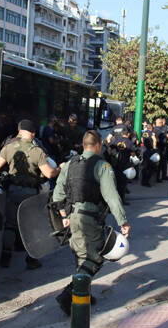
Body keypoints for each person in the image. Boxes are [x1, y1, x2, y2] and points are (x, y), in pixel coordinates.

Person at [51, 130, 130, 315]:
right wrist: (123, 221)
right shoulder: (102, 166)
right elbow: (112, 197)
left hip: (72, 217)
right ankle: (69, 294)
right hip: (91, 218)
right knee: (95, 258)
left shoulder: (70, 163)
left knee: (81, 254)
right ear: (98, 145)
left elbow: (57, 195)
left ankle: (83, 292)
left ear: (83, 144)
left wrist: (64, 216)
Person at [0, 119, 60, 270]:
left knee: (10, 224)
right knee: (32, 226)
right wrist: (59, 169)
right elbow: (48, 174)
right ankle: (31, 260)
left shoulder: (8, 147)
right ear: (33, 133)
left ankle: (5, 257)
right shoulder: (37, 151)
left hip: (13, 190)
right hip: (30, 194)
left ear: (20, 130)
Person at [154, 117, 168, 182]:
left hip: (163, 148)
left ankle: (163, 175)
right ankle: (157, 178)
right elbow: (162, 138)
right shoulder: (157, 129)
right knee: (159, 164)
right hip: (159, 148)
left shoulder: (163, 128)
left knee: (163, 163)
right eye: (161, 122)